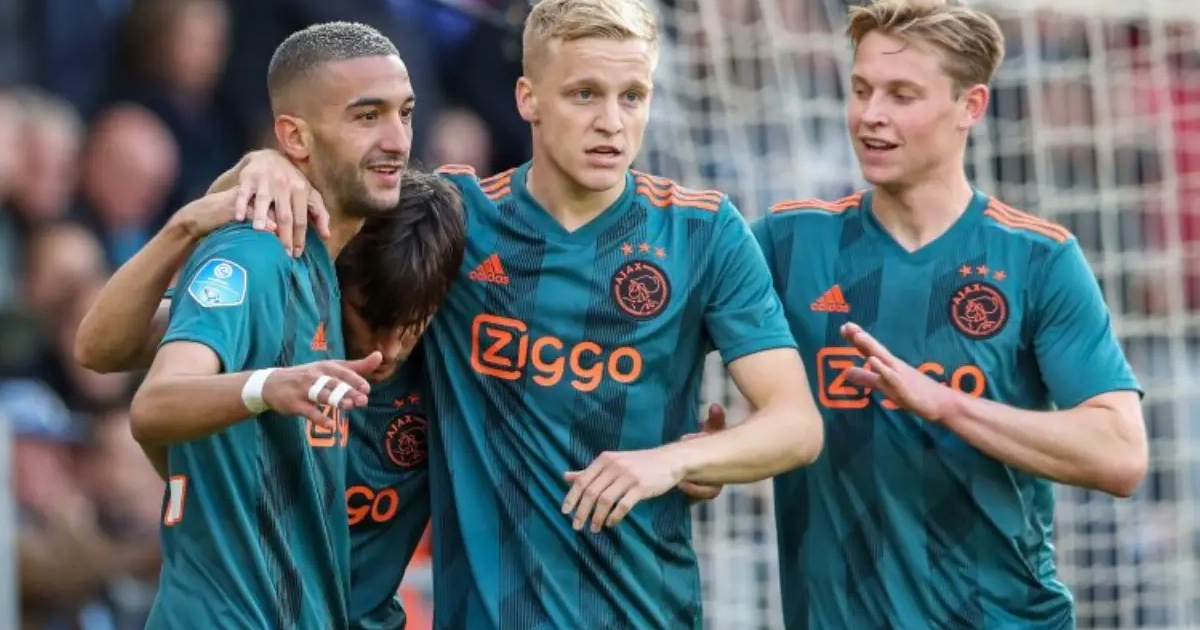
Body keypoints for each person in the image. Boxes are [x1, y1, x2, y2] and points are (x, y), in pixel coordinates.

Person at [228, 2, 824, 626]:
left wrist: (675, 462)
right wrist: (262, 165)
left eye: (632, 96)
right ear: (527, 98)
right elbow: (324, 182)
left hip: (645, 612)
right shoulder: (459, 220)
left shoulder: (704, 233)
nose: (611, 122)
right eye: (584, 94)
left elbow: (796, 425)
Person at [748, 1, 1148, 627]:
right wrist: (697, 456)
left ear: (971, 106)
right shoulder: (789, 243)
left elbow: (1120, 455)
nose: (870, 114)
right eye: (861, 89)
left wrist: (945, 404)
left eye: (901, 95)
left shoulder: (1037, 259)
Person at [115, 22, 419, 629]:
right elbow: (152, 404)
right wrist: (268, 387)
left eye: (405, 113)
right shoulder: (255, 253)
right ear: (295, 136)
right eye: (367, 116)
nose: (397, 139)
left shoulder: (325, 267)